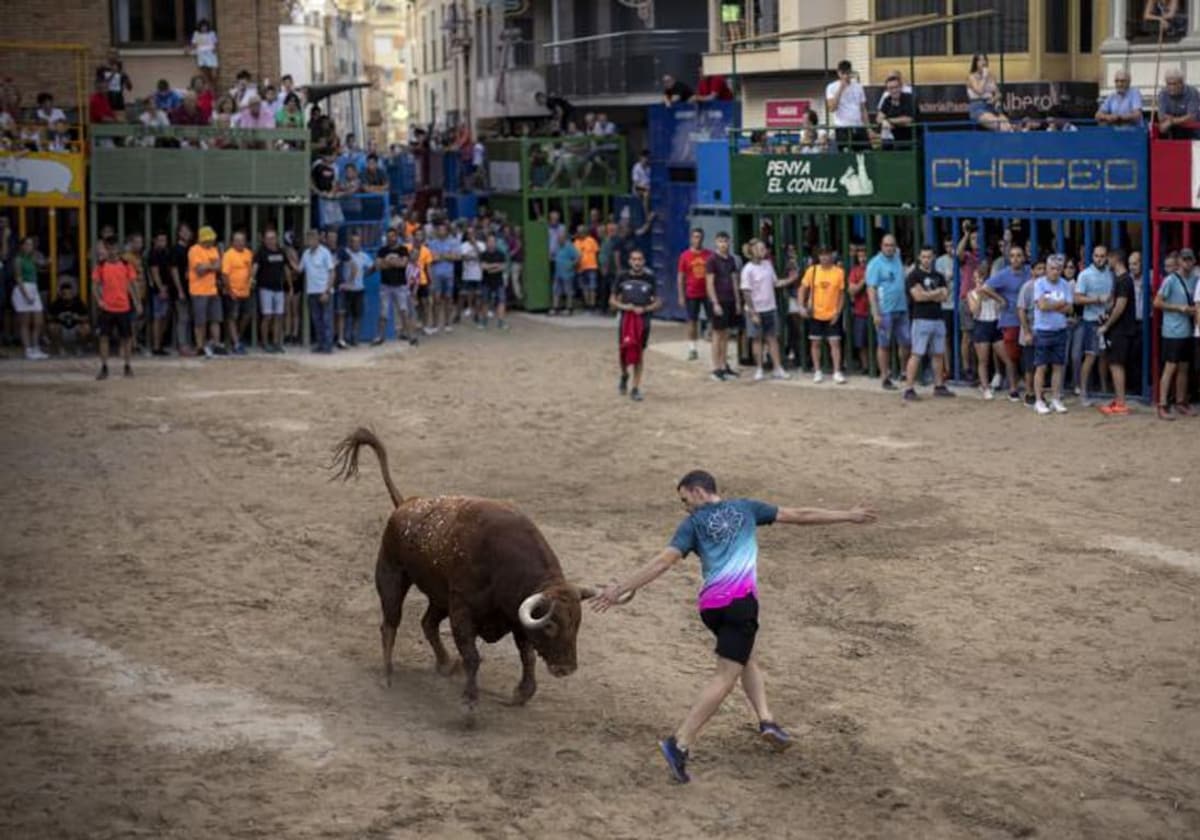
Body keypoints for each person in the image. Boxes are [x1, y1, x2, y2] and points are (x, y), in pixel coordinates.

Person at [591, 470, 877, 784]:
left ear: (698, 491)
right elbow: (800, 514)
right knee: (726, 676)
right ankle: (680, 742)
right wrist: (848, 515)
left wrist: (620, 588)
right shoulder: (746, 508)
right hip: (740, 602)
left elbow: (662, 562)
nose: (685, 507)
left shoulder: (692, 525)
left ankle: (767, 720)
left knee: (745, 657)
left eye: (685, 500)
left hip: (711, 607)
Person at [902, 245, 955, 400]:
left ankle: (939, 385)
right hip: (921, 318)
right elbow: (917, 297)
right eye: (924, 256)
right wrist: (935, 293)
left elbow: (944, 296)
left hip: (938, 318)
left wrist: (927, 294)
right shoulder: (913, 275)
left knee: (938, 354)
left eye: (929, 256)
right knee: (917, 354)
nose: (926, 259)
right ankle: (909, 388)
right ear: (919, 257)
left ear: (933, 257)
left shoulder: (939, 275)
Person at [610, 249, 662, 401]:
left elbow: (658, 302)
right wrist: (625, 307)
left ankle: (635, 387)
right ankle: (624, 374)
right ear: (630, 261)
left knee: (639, 352)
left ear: (644, 261)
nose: (637, 262)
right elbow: (611, 300)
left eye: (640, 259)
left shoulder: (649, 278)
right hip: (626, 318)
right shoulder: (622, 277)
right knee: (624, 351)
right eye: (634, 259)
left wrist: (645, 308)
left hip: (643, 320)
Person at [980, 243, 1029, 400]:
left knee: (1027, 355)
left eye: (1018, 255)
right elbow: (985, 287)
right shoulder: (1003, 274)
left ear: (1024, 258)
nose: (1015, 259)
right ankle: (1013, 388)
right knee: (1012, 357)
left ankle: (1029, 387)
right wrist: (1000, 299)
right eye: (1012, 256)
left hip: (1028, 319)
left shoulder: (1029, 272)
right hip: (1010, 319)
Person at [1153, 250, 1197, 420]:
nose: (1187, 263)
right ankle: (1163, 404)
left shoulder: (1195, 278)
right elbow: (1157, 302)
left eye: (1190, 260)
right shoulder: (1170, 280)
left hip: (1187, 330)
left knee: (1184, 368)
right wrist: (1179, 308)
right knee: (1170, 368)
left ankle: (1180, 402)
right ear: (1179, 261)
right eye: (1184, 260)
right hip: (1172, 331)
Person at [740, 240, 791, 383]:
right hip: (756, 309)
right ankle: (759, 369)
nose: (764, 250)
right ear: (752, 251)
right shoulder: (747, 269)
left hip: (770, 307)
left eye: (764, 248)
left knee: (772, 338)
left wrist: (790, 280)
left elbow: (776, 283)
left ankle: (777, 368)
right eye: (760, 248)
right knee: (757, 339)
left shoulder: (768, 264)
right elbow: (746, 292)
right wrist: (753, 312)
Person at [92, 240, 141, 379]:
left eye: (114, 249)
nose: (112, 252)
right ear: (107, 250)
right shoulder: (101, 266)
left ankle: (127, 366)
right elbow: (94, 286)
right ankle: (104, 367)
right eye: (109, 249)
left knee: (127, 338)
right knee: (104, 338)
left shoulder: (126, 265)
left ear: (118, 250)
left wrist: (137, 302)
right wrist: (99, 300)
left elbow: (133, 284)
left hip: (123, 307)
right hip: (107, 308)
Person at [1032, 255, 1074, 415]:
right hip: (1043, 330)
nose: (1055, 272)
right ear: (1047, 269)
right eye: (1052, 269)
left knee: (1058, 366)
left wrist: (1052, 305)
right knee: (1041, 366)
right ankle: (1039, 400)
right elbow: (1041, 305)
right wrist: (1060, 304)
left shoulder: (1065, 284)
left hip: (1060, 330)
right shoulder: (1040, 283)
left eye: (1058, 269)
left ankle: (1056, 399)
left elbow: (1070, 308)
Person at [866, 234, 909, 390]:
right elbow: (871, 289)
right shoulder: (875, 264)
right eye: (886, 245)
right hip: (885, 311)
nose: (889, 248)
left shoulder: (897, 256)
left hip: (901, 308)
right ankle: (885, 377)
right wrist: (875, 312)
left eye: (892, 245)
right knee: (884, 344)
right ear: (881, 246)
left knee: (905, 342)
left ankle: (904, 371)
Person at [799, 245, 846, 384]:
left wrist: (838, 312)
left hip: (832, 313)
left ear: (832, 255)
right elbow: (802, 289)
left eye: (827, 254)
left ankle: (837, 371)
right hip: (815, 313)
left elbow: (841, 294)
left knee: (835, 343)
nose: (824, 257)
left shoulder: (839, 272)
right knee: (815, 343)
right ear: (818, 257)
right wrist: (801, 306)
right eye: (821, 255)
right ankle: (817, 370)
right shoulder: (812, 270)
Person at [1074, 245, 1114, 405]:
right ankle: (1083, 391)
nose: (1099, 259)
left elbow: (1112, 296)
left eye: (1102, 256)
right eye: (1097, 256)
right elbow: (1077, 299)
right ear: (1092, 256)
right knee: (1090, 356)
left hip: (1107, 319)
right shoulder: (1085, 275)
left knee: (1105, 356)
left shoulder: (1110, 274)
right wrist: (1097, 299)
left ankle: (1104, 388)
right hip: (1091, 321)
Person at [1097, 250, 1135, 415]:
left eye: (1108, 258)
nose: (1106, 261)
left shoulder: (1124, 280)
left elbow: (1120, 306)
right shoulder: (1123, 280)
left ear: (1114, 259)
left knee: (1116, 364)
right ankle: (1119, 400)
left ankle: (1120, 402)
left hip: (1120, 330)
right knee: (1115, 364)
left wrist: (1107, 325)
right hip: (1121, 329)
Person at [705, 232, 742, 381]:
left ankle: (724, 365)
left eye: (725, 241)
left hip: (730, 300)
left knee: (726, 334)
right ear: (716, 242)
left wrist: (738, 301)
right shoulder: (712, 260)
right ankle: (715, 368)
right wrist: (715, 303)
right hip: (718, 301)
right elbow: (709, 283)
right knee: (717, 334)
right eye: (720, 241)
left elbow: (734, 281)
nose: (723, 244)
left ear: (729, 242)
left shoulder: (732, 260)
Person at [373, 228, 414, 346]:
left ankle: (410, 336)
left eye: (392, 236)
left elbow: (403, 264)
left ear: (396, 237)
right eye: (388, 236)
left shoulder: (403, 249)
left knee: (404, 311)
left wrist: (387, 262)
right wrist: (394, 262)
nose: (390, 238)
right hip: (385, 285)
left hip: (400, 285)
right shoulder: (382, 250)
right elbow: (378, 265)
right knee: (383, 313)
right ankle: (380, 337)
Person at [677, 228, 713, 362]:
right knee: (692, 321)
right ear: (691, 239)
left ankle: (714, 346)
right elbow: (680, 277)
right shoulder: (685, 256)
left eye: (699, 237)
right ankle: (692, 348)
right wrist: (681, 295)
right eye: (695, 237)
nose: (697, 239)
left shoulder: (709, 254)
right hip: (692, 292)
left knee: (713, 320)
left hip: (708, 293)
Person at [189, 226, 224, 357]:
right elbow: (199, 270)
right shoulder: (194, 250)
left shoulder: (214, 250)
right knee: (200, 321)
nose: (211, 242)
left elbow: (219, 267)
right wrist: (212, 265)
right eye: (208, 240)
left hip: (212, 290)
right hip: (198, 291)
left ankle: (216, 344)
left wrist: (208, 266)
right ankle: (200, 346)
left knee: (215, 319)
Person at [10, 236, 48, 360]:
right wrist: (25, 295)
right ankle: (28, 349)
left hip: (33, 288)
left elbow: (42, 265)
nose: (28, 247)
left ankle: (36, 347)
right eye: (26, 244)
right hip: (23, 289)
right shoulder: (18, 260)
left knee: (38, 321)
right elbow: (18, 278)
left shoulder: (32, 258)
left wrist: (46, 261)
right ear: (21, 246)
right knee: (25, 322)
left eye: (30, 244)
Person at [254, 229, 291, 353]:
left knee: (279, 316)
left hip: (279, 288)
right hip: (265, 289)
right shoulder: (261, 252)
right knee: (267, 316)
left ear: (277, 239)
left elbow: (286, 269)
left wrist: (290, 286)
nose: (271, 241)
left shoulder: (281, 252)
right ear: (264, 240)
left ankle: (276, 342)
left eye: (273, 238)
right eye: (268, 238)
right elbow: (255, 267)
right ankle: (265, 342)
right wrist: (251, 279)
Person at [300, 229, 336, 353]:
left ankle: (328, 345)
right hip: (312, 292)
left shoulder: (325, 252)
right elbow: (299, 270)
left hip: (324, 291)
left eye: (312, 239)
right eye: (308, 239)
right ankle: (321, 344)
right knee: (316, 320)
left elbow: (332, 273)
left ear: (317, 240)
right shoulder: (305, 254)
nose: (310, 241)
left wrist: (326, 291)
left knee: (326, 319)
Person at [220, 231, 253, 354]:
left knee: (246, 316)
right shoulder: (228, 255)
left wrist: (250, 282)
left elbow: (250, 271)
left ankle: (236, 338)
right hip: (232, 292)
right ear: (232, 242)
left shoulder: (248, 253)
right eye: (237, 240)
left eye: (242, 240)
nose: (240, 243)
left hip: (246, 292)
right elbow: (224, 275)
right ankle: (237, 343)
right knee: (232, 317)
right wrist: (229, 291)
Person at [337, 232, 372, 348]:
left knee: (357, 315)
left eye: (358, 241)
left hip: (359, 289)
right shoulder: (345, 253)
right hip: (347, 290)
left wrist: (364, 275)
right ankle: (344, 338)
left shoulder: (364, 256)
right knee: (344, 315)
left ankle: (354, 338)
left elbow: (372, 267)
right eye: (353, 241)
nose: (356, 243)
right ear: (350, 242)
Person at [824, 60, 868, 150]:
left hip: (858, 126)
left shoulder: (858, 87)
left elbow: (863, 109)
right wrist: (840, 89)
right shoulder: (831, 87)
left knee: (865, 154)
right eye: (843, 73)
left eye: (848, 73)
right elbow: (832, 108)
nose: (845, 76)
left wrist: (868, 127)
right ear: (838, 73)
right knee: (846, 155)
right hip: (842, 128)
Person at [426, 222, 458, 333]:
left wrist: (441, 256)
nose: (441, 232)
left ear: (447, 231)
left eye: (443, 230)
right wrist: (446, 255)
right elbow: (431, 258)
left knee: (448, 298)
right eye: (439, 230)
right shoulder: (432, 243)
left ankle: (448, 323)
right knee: (436, 299)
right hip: (436, 275)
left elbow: (456, 257)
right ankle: (435, 324)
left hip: (449, 274)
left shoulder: (453, 242)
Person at [966, 54, 1011, 132]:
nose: (983, 62)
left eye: (984, 60)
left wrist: (994, 99)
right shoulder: (971, 77)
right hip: (978, 108)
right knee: (999, 125)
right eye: (980, 60)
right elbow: (979, 91)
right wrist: (984, 76)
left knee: (1008, 126)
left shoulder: (991, 76)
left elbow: (998, 94)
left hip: (991, 106)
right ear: (975, 63)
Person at [146, 232, 174, 355]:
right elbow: (154, 273)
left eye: (165, 240)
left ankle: (160, 344)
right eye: (160, 240)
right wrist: (161, 288)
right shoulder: (153, 254)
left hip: (166, 289)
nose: (163, 242)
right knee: (158, 317)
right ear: (155, 241)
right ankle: (156, 346)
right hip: (158, 291)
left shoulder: (166, 253)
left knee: (164, 317)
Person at [46, 278, 91, 355]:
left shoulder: (78, 302)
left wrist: (77, 318)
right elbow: (48, 317)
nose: (67, 296)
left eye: (69, 293)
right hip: (62, 328)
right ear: (61, 294)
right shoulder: (57, 303)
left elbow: (86, 317)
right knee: (52, 327)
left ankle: (79, 347)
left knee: (86, 328)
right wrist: (58, 317)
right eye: (64, 294)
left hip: (75, 327)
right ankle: (60, 348)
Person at [1157, 69, 1200, 139]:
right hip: (1174, 132)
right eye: (1168, 84)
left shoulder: (1192, 92)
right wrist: (1181, 119)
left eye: (1174, 84)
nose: (1171, 87)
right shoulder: (1163, 93)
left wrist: (1171, 121)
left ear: (1181, 83)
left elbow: (1192, 117)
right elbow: (1161, 116)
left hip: (1193, 133)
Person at [876, 73, 916, 148]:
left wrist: (888, 121)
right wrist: (883, 121)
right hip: (891, 140)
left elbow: (907, 119)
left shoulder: (909, 98)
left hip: (910, 140)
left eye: (896, 87)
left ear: (901, 87)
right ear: (887, 90)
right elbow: (878, 118)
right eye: (891, 88)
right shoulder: (887, 100)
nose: (894, 90)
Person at [480, 233, 508, 330]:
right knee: (485, 301)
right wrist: (496, 266)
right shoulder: (483, 254)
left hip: (498, 281)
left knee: (501, 301)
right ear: (486, 243)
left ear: (495, 243)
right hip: (486, 281)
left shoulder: (501, 254)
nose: (491, 243)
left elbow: (503, 267)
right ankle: (484, 321)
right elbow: (483, 267)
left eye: (493, 241)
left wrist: (490, 267)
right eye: (489, 241)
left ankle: (501, 322)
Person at [551, 229, 579, 316]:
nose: (559, 240)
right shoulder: (557, 247)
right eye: (558, 238)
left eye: (561, 238)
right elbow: (554, 256)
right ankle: (555, 308)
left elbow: (578, 257)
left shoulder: (569, 246)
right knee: (556, 291)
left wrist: (571, 265)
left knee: (568, 291)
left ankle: (569, 308)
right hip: (558, 273)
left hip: (567, 274)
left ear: (565, 238)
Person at [573, 225, 600, 312]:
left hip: (591, 267)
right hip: (580, 269)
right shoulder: (575, 242)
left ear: (585, 231)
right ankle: (587, 305)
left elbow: (597, 253)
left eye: (582, 231)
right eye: (579, 231)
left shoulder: (591, 240)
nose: (580, 233)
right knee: (584, 288)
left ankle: (593, 305)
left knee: (592, 287)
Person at [189, 18, 218, 88]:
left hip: (211, 55)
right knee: (205, 75)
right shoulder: (196, 34)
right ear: (200, 27)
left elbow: (216, 43)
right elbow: (194, 44)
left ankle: (213, 87)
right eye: (202, 26)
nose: (204, 28)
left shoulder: (212, 33)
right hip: (202, 55)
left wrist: (215, 49)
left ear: (207, 27)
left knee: (214, 75)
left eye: (205, 26)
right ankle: (210, 90)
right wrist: (188, 49)